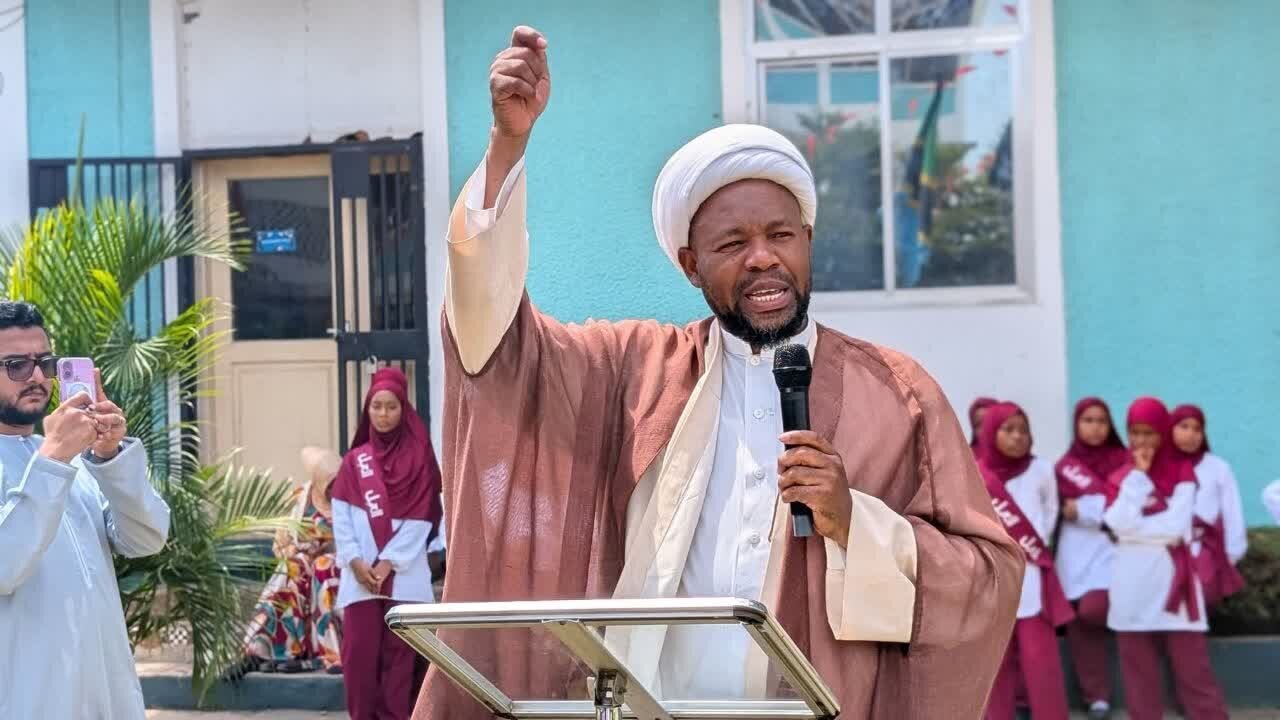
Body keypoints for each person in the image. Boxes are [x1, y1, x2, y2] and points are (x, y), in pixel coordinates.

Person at [415, 25, 1023, 720]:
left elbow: (988, 578)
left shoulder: (897, 393)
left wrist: (856, 521)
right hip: (658, 705)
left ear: (809, 242)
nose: (763, 258)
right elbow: (501, 346)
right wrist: (507, 147)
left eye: (780, 236)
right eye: (733, 243)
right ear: (690, 265)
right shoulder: (636, 370)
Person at [0, 300, 170, 717]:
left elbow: (147, 538)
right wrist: (54, 460)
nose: (38, 376)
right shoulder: (56, 460)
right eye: (16, 365)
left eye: (45, 362)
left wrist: (109, 457)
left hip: (105, 700)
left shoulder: (70, 460)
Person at [1103, 398, 1227, 720]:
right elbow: (1115, 523)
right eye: (1135, 433)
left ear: (1164, 433)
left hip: (1175, 583)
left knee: (1193, 672)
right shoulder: (1121, 475)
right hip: (1131, 585)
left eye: (1150, 433)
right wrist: (1139, 478)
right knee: (1138, 676)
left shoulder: (1183, 472)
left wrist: (1134, 530)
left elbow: (1175, 527)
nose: (1142, 442)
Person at [333, 367, 443, 720]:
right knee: (359, 664)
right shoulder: (354, 462)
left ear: (403, 407)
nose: (382, 414)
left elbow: (422, 518)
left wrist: (386, 564)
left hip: (406, 581)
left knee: (402, 668)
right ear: (367, 408)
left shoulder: (420, 458)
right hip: (360, 581)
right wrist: (354, 561)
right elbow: (342, 515)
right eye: (376, 406)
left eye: (391, 407)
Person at [977, 403, 1072, 720]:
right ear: (991, 432)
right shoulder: (978, 473)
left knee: (1041, 662)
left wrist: (1033, 543)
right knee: (996, 664)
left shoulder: (1042, 469)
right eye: (1008, 430)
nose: (1017, 437)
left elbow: (1050, 511)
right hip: (994, 580)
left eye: (1023, 430)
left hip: (1033, 579)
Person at [1054, 397, 1129, 719]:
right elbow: (1057, 511)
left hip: (1114, 554)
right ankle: (1095, 697)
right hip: (1074, 557)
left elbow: (1125, 510)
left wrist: (1084, 509)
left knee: (1093, 610)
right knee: (1080, 623)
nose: (1095, 427)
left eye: (1101, 421)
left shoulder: (1127, 463)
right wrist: (1097, 509)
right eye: (1088, 420)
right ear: (1077, 424)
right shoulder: (1063, 467)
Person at [244, 446, 344, 673]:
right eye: (329, 483)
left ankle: (329, 654)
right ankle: (268, 648)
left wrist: (324, 550)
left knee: (323, 567)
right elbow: (280, 542)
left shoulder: (349, 499)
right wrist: (294, 552)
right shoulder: (302, 498)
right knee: (292, 569)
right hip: (305, 562)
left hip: (339, 564)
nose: (334, 487)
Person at [1169, 404, 1247, 608]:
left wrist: (1232, 554)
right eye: (1184, 426)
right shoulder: (1160, 466)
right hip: (1166, 548)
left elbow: (1232, 512)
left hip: (1205, 548)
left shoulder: (1218, 468)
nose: (1191, 434)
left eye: (1197, 429)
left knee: (1203, 595)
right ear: (1170, 429)